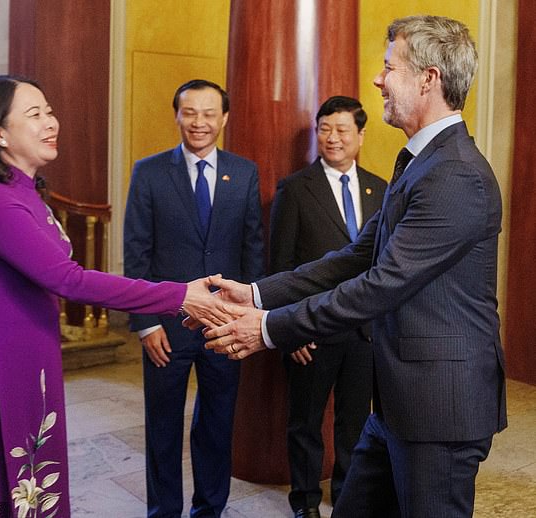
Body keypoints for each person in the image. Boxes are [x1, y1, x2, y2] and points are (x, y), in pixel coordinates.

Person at [203, 15, 507, 518]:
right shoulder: (420, 162)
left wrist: (270, 329)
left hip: (439, 411)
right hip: (397, 402)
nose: (378, 80)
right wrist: (257, 295)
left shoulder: (456, 175)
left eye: (389, 68)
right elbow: (354, 258)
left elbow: (380, 286)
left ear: (428, 79)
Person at [0, 75, 219, 516]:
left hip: (24, 354)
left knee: (31, 485)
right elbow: (70, 280)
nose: (52, 122)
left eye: (49, 111)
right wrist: (178, 295)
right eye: (35, 114)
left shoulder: (24, 190)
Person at [124, 79, 264, 517]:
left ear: (224, 118)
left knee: (217, 423)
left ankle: (210, 510)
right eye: (190, 113)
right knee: (162, 427)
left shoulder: (244, 172)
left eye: (209, 114)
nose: (199, 123)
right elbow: (136, 252)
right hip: (165, 325)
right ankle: (162, 511)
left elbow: (252, 249)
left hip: (225, 324)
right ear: (177, 116)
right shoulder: (148, 172)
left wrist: (248, 316)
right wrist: (145, 323)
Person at [269, 96, 386, 517]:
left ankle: (347, 498)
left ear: (360, 135)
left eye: (341, 130)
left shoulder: (382, 189)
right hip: (312, 332)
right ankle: (304, 503)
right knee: (305, 423)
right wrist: (289, 329)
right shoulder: (295, 189)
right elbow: (281, 266)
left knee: (354, 425)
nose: (332, 138)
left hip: (364, 333)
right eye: (324, 129)